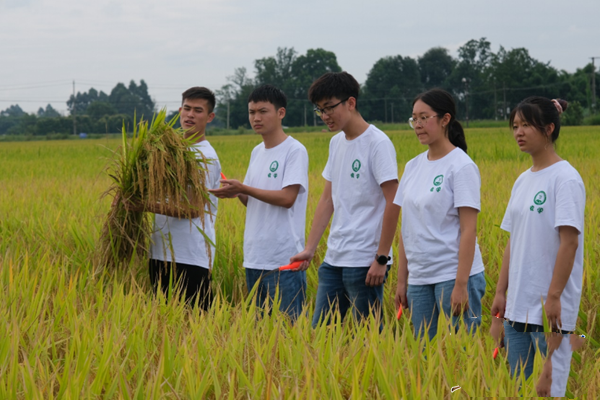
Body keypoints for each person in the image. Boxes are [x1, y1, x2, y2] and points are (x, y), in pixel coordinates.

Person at [490, 97, 584, 397]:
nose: (518, 132)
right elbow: (512, 242)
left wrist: (554, 296)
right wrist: (501, 292)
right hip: (517, 308)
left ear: (549, 128)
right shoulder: (522, 181)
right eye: (515, 126)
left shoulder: (565, 178)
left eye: (526, 125)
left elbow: (569, 243)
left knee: (548, 391)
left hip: (549, 310)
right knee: (517, 389)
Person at [291, 71, 399, 328]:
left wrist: (382, 258)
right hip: (334, 259)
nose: (325, 116)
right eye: (320, 110)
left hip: (366, 260)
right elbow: (328, 199)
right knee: (322, 334)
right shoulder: (336, 142)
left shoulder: (377, 143)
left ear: (350, 103)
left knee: (370, 336)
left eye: (329, 108)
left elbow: (394, 202)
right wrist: (310, 248)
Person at [209, 84, 309, 322]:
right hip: (254, 257)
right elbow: (252, 200)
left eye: (263, 111)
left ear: (280, 113)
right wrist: (235, 191)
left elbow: (287, 198)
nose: (256, 118)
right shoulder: (257, 152)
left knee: (288, 333)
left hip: (284, 259)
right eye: (252, 112)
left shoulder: (294, 150)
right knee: (261, 335)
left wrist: (244, 188)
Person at [393, 89, 486, 340]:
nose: (418, 125)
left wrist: (461, 284)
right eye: (414, 119)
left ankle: (464, 384)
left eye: (425, 118)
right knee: (423, 354)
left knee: (464, 353)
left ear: (445, 119)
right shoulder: (412, 166)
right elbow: (407, 229)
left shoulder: (461, 166)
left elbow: (469, 229)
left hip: (453, 276)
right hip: (420, 279)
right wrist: (402, 281)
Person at [148, 86, 221, 311]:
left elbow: (192, 209)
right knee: (161, 327)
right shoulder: (167, 152)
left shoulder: (204, 157)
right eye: (187, 108)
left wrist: (143, 205)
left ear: (210, 117)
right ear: (179, 110)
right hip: (160, 251)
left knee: (195, 330)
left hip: (190, 256)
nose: (190, 115)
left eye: (198, 110)